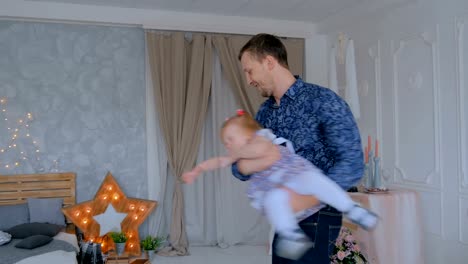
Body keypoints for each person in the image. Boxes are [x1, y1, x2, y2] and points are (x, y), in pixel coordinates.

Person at [233, 33, 366, 263]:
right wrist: (243, 165)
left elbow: (352, 163)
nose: (248, 80)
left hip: (318, 216)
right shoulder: (264, 113)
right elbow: (240, 168)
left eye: (249, 70)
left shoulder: (323, 100)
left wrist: (307, 200)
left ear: (269, 62)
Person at [182, 110, 377, 260]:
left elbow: (263, 150)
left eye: (230, 139)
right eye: (225, 142)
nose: (228, 145)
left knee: (319, 182)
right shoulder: (239, 152)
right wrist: (197, 170)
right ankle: (291, 235)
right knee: (274, 200)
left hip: (297, 175)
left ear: (248, 133)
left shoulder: (262, 137)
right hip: (279, 187)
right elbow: (218, 162)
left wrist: (239, 155)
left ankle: (352, 209)